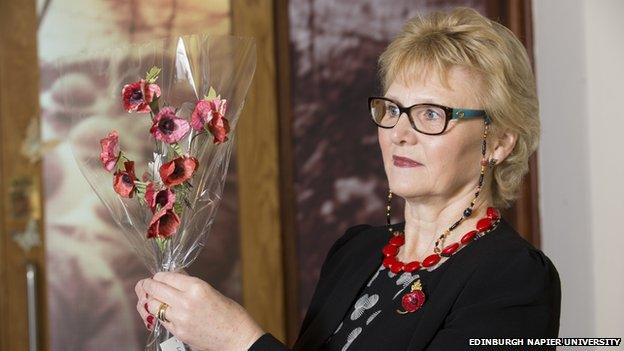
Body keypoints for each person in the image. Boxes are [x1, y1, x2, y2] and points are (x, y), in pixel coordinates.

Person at [135, 7, 561, 351]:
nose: (401, 134)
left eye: (431, 114)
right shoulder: (357, 252)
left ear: (499, 141)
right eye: (392, 109)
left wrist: (238, 341)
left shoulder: (514, 279)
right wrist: (190, 333)